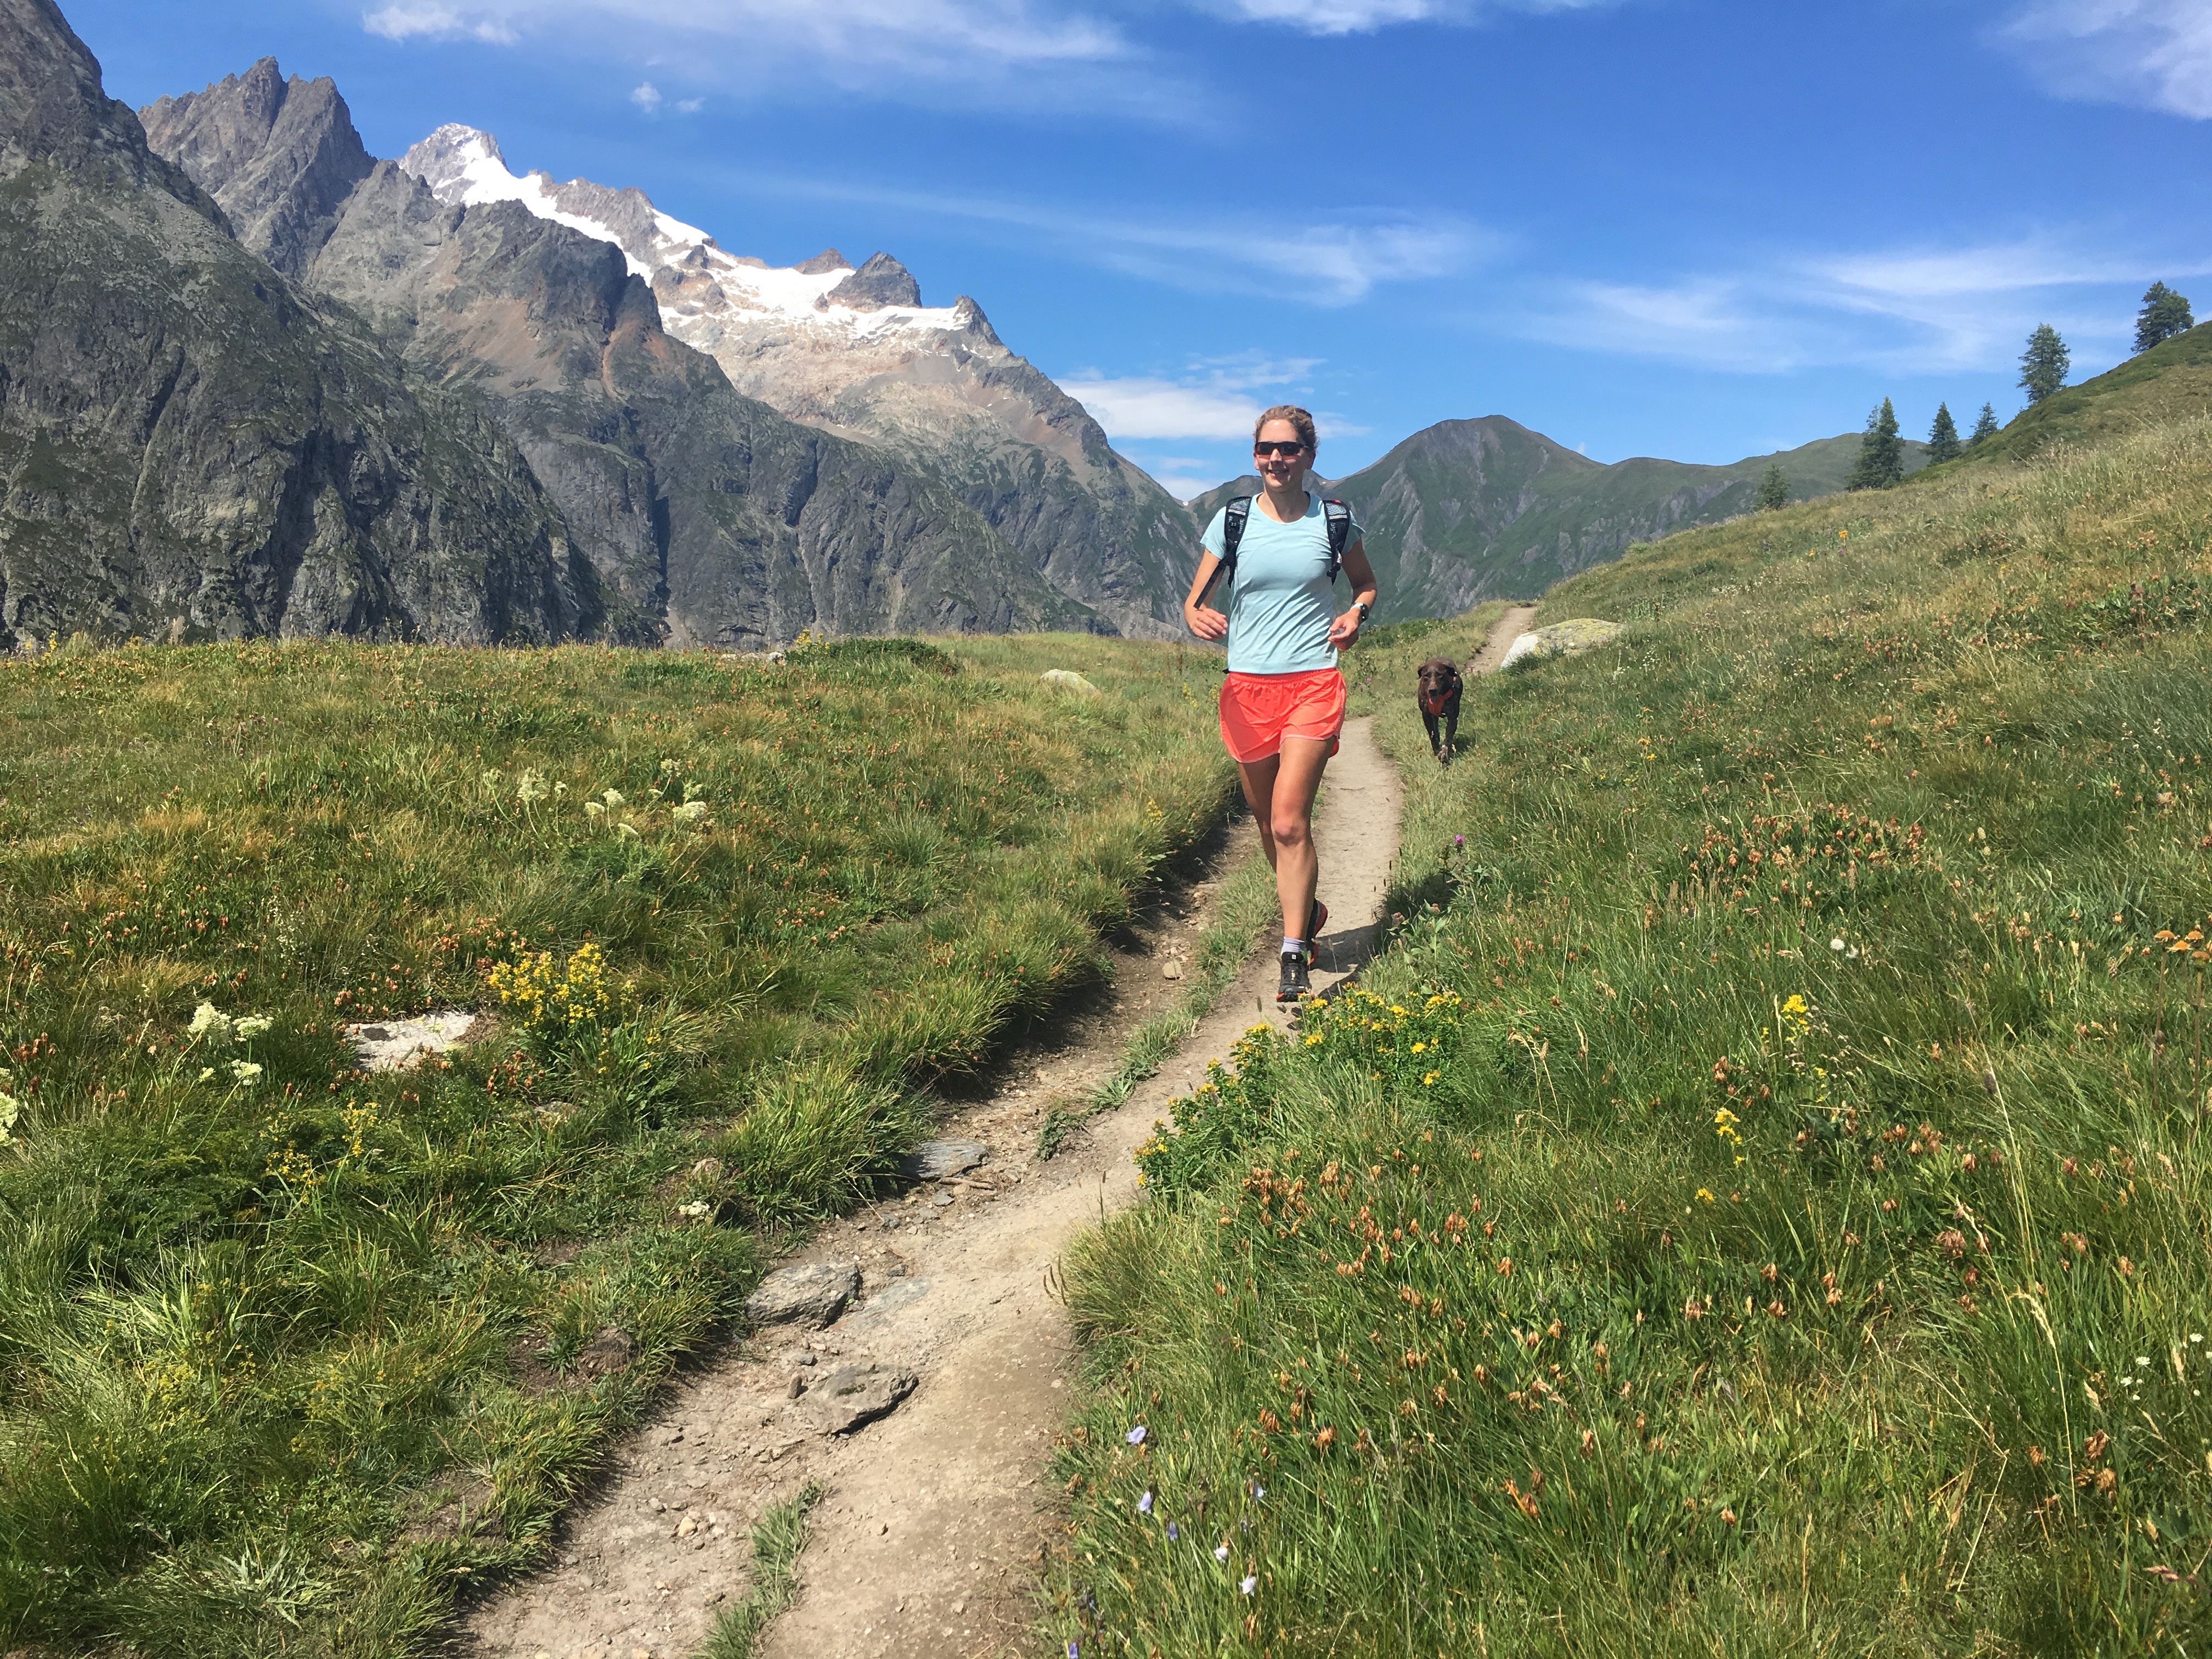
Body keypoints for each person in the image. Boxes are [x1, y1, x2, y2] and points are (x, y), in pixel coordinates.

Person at [1183, 405, 1379, 1003]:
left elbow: (1366, 585)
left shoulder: (1336, 521)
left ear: (1309, 456)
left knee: (1292, 820)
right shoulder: (1234, 521)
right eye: (1266, 449)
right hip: (1246, 688)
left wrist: (1355, 614)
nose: (1276, 459)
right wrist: (1195, 614)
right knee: (1269, 824)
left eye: (1289, 449)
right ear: (1255, 455)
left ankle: (1293, 952)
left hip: (1314, 683)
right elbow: (1195, 599)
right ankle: (1308, 910)